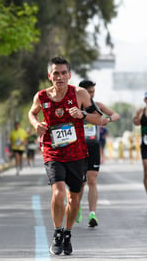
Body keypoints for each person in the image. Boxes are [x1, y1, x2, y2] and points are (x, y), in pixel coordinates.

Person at [28, 56, 102, 256]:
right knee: (59, 193)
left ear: (69, 75)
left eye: (63, 73)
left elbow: (100, 120)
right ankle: (57, 232)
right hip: (53, 152)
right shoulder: (41, 97)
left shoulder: (79, 94)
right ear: (49, 75)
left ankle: (67, 233)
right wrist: (37, 125)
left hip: (77, 153)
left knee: (74, 197)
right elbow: (32, 113)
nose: (59, 77)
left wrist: (83, 115)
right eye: (55, 73)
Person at [76, 80, 120, 227]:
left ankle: (92, 214)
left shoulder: (98, 106)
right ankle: (77, 208)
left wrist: (107, 120)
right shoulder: (75, 108)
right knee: (80, 183)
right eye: (88, 92)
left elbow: (116, 115)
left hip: (94, 147)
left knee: (92, 179)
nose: (91, 94)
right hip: (78, 148)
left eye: (93, 91)